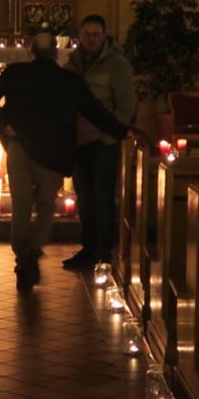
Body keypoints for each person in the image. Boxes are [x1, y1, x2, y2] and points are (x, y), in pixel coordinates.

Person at [0, 31, 132, 291]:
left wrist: (3, 124)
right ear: (55, 52)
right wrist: (122, 131)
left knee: (21, 206)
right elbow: (96, 112)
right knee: (46, 205)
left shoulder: (16, 72)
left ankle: (22, 258)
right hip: (51, 154)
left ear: (31, 51)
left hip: (19, 149)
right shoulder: (69, 80)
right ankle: (32, 251)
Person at [64, 14, 136, 271]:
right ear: (79, 36)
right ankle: (88, 248)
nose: (91, 39)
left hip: (102, 141)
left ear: (103, 36)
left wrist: (108, 135)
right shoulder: (73, 63)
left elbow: (126, 104)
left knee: (102, 197)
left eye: (96, 34)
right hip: (79, 140)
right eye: (86, 34)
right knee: (84, 197)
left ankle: (104, 251)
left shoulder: (117, 64)